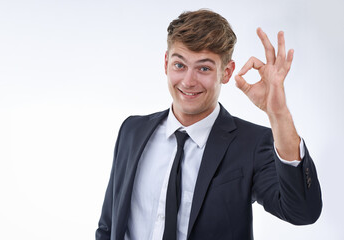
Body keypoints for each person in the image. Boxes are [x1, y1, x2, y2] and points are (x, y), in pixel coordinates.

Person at [95, 9, 322, 240]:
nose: (188, 81)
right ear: (166, 63)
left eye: (204, 68)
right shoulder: (132, 131)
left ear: (226, 72)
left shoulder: (251, 144)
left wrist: (278, 113)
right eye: (179, 65)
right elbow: (108, 226)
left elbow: (302, 212)